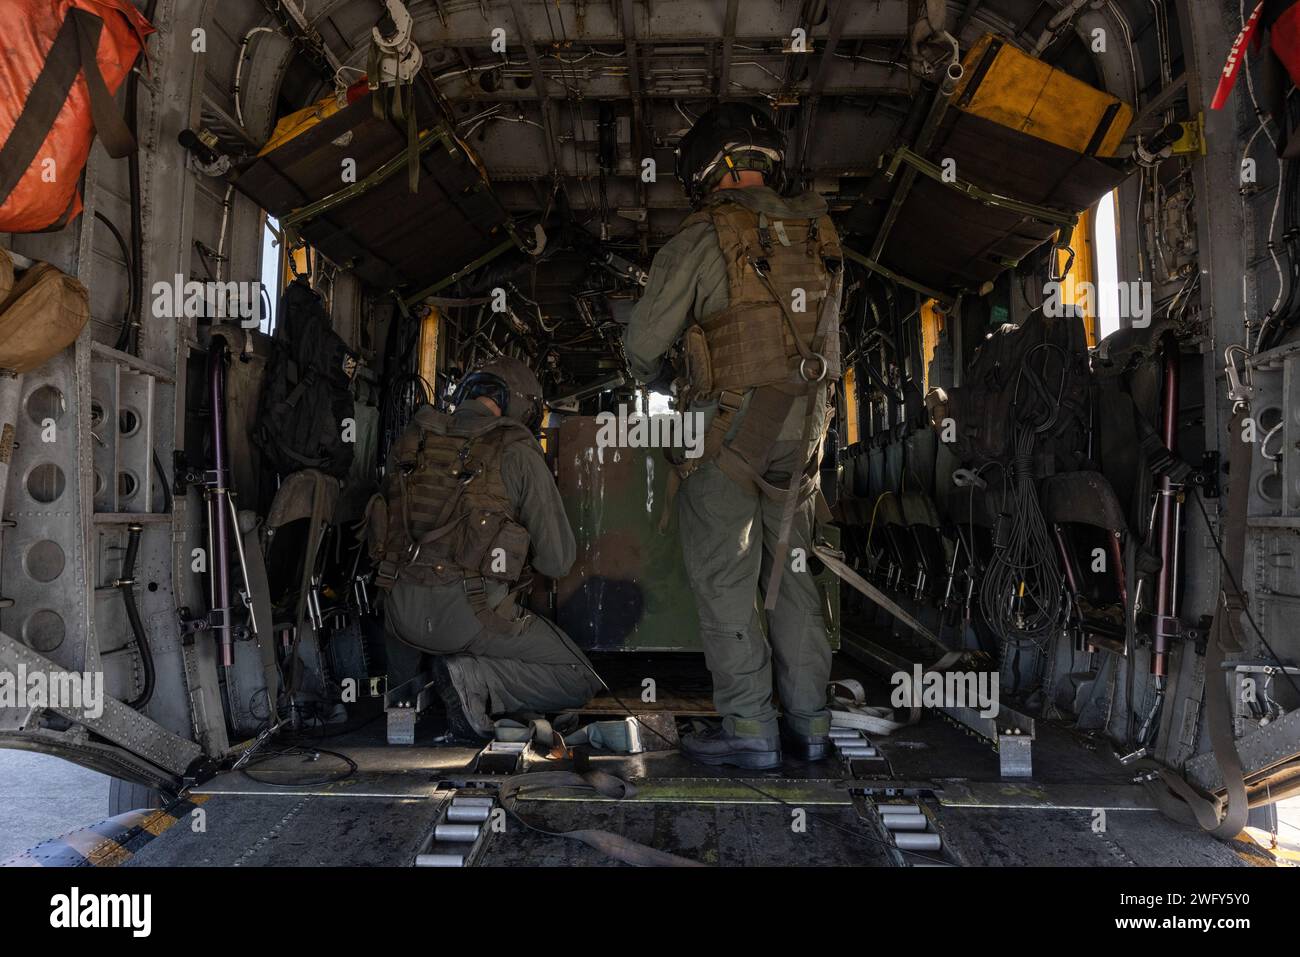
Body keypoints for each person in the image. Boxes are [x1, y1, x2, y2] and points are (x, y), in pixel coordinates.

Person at [622, 103, 843, 769]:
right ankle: (810, 726)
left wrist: (647, 371)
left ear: (710, 166)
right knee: (796, 578)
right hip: (806, 437)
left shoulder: (703, 235)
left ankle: (750, 730)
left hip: (731, 436)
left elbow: (641, 343)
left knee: (727, 579)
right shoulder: (820, 235)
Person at [371, 356, 601, 741]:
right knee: (578, 678)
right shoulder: (515, 450)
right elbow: (557, 560)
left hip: (398, 615)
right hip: (471, 616)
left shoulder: (412, 439)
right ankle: (471, 676)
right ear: (521, 406)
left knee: (415, 643)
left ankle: (404, 710)